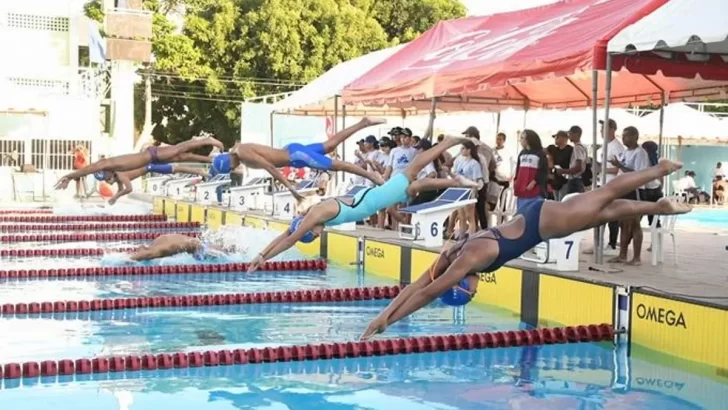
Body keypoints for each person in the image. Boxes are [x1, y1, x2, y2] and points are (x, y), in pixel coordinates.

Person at [360, 158, 690, 340]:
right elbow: (418, 285)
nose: (475, 292)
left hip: (544, 223)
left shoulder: (469, 260)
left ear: (461, 283)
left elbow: (428, 293)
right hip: (535, 218)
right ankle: (658, 207)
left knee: (604, 196)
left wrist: (390, 319)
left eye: (469, 293)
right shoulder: (450, 256)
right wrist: (384, 317)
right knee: (604, 212)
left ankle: (658, 170)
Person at [246, 136, 483, 272]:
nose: (318, 236)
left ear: (308, 229)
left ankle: (451, 147)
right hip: (376, 198)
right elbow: (289, 232)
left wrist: (264, 257)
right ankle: (458, 181)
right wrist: (261, 254)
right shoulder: (318, 217)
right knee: (414, 186)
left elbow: (290, 238)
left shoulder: (317, 214)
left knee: (413, 171)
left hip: (377, 198)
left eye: (313, 236)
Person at [221, 118, 386, 201]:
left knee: (337, 165)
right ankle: (363, 123)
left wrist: (291, 190)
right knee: (329, 146)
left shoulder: (243, 153)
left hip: (296, 156)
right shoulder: (238, 151)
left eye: (230, 168)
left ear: (228, 161)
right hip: (293, 152)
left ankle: (372, 177)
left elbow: (270, 167)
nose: (233, 169)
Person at [54, 136, 224, 190]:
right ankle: (210, 159)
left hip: (152, 154)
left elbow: (87, 170)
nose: (107, 179)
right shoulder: (114, 170)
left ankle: (208, 140)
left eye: (104, 178)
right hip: (153, 158)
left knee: (181, 149)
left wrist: (68, 176)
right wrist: (68, 178)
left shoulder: (105, 164)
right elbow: (88, 171)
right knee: (183, 157)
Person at [608, 126, 650, 265]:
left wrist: (619, 165)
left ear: (634, 137)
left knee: (634, 223)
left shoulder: (640, 153)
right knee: (624, 224)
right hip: (625, 190)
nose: (624, 139)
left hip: (635, 190)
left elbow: (638, 174)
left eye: (626, 136)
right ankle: (622, 254)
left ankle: (637, 257)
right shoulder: (626, 152)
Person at [102, 163, 210, 205]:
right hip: (149, 166)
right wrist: (114, 199)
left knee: (176, 169)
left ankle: (200, 172)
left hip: (151, 166)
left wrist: (115, 197)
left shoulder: (120, 176)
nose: (108, 183)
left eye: (108, 180)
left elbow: (129, 189)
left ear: (111, 176)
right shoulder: (118, 179)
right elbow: (120, 190)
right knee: (176, 169)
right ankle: (200, 172)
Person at [127, 233, 236, 262]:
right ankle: (232, 249)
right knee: (224, 252)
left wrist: (126, 260)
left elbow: (146, 254)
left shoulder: (162, 249)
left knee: (224, 255)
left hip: (197, 247)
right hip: (196, 244)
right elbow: (145, 253)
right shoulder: (159, 245)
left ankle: (232, 250)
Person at [513, 130, 548, 210]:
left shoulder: (540, 153)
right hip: (522, 190)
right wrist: (516, 181)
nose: (520, 140)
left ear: (528, 140)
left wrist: (534, 181)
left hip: (535, 190)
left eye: (522, 138)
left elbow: (544, 171)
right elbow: (518, 169)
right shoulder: (522, 153)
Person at [556, 126, 588, 194]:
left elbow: (578, 167)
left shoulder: (577, 148)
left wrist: (563, 171)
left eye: (570, 134)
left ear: (576, 134)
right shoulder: (583, 146)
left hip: (575, 180)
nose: (569, 136)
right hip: (578, 179)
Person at [546, 131, 573, 201]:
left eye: (557, 137)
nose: (555, 139)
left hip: (566, 180)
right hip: (555, 180)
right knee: (556, 201)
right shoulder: (553, 150)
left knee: (563, 201)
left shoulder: (570, 150)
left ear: (564, 138)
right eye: (555, 137)